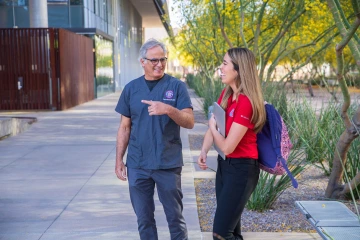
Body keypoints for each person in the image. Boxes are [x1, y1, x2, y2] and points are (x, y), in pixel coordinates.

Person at [115, 38, 194, 240]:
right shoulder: (131, 89)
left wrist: (168, 109)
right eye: (154, 60)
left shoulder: (176, 87)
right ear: (142, 62)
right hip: (138, 164)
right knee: (144, 219)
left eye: (163, 60)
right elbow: (124, 127)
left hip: (167, 162)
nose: (159, 64)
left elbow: (189, 121)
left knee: (175, 218)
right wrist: (119, 160)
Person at [197, 48, 266, 240]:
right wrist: (204, 149)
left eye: (225, 63)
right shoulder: (226, 95)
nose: (221, 67)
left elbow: (227, 146)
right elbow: (216, 127)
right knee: (231, 231)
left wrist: (211, 125)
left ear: (238, 69)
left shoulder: (246, 102)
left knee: (220, 233)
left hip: (242, 170)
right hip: (225, 166)